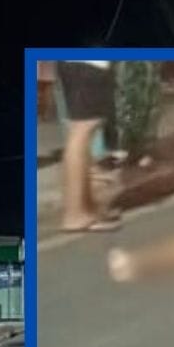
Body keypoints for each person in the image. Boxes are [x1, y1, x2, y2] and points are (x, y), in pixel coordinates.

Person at [54, 60, 122, 233]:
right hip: (88, 64)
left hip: (76, 63)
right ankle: (75, 214)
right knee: (83, 128)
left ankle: (85, 208)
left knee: (83, 129)